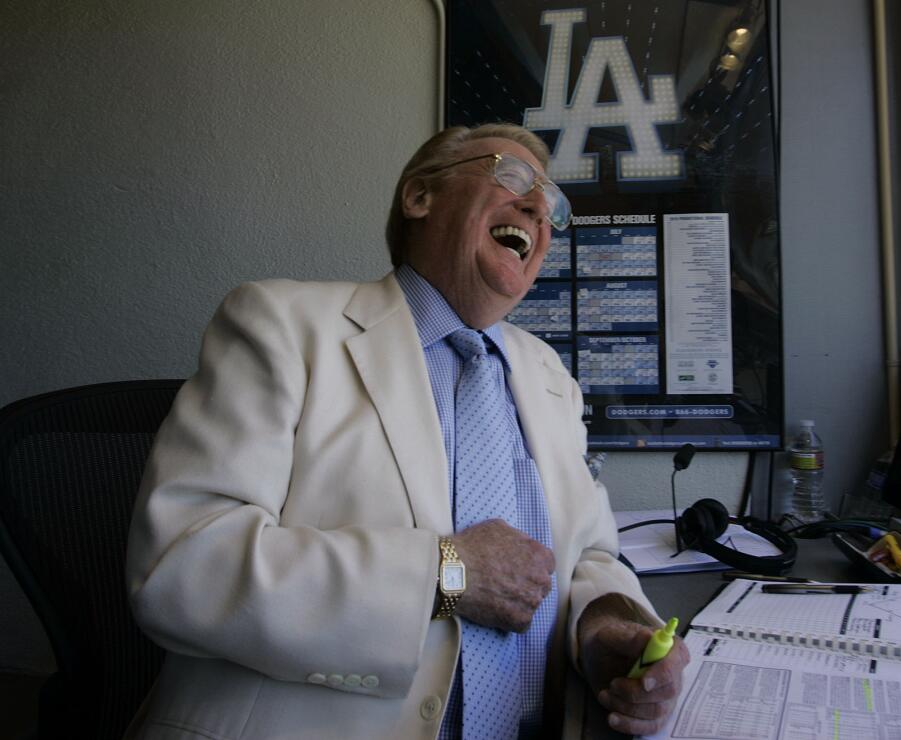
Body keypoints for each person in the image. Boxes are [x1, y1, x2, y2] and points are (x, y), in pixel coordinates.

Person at [124, 123, 689, 739]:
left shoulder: (550, 375)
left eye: (551, 203)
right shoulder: (281, 325)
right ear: (420, 196)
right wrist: (447, 574)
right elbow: (182, 567)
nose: (537, 208)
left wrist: (605, 625)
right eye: (512, 177)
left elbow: (592, 555)